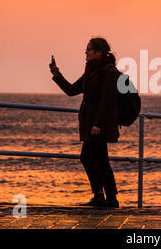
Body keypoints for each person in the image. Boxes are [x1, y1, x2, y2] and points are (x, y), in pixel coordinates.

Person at [49, 37, 120, 208]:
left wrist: (98, 124)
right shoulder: (91, 71)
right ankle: (110, 199)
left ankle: (100, 196)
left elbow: (107, 100)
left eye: (89, 50)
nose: (85, 53)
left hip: (98, 125)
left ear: (99, 52)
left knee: (87, 157)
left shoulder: (108, 71)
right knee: (101, 160)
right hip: (91, 124)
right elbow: (72, 90)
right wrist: (57, 75)